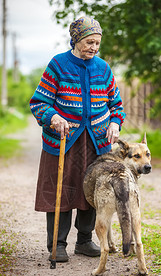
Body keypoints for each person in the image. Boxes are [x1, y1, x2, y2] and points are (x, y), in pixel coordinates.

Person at [30, 16, 126, 262]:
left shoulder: (103, 68)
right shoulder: (58, 65)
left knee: (92, 192)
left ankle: (84, 241)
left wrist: (115, 122)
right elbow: (39, 102)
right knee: (60, 192)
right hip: (64, 141)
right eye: (89, 42)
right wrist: (53, 117)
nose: (93, 47)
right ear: (76, 40)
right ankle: (58, 244)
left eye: (97, 43)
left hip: (96, 142)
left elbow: (116, 104)